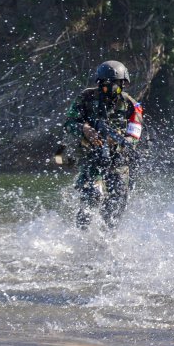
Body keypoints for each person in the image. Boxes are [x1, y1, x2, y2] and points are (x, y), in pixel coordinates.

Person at [64, 60, 143, 229]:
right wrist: (85, 129)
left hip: (118, 160)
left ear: (123, 84)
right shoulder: (86, 98)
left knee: (116, 204)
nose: (112, 89)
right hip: (92, 157)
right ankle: (80, 237)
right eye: (107, 85)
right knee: (92, 195)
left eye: (116, 85)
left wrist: (122, 142)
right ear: (100, 84)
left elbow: (134, 133)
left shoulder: (131, 104)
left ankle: (106, 242)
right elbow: (69, 122)